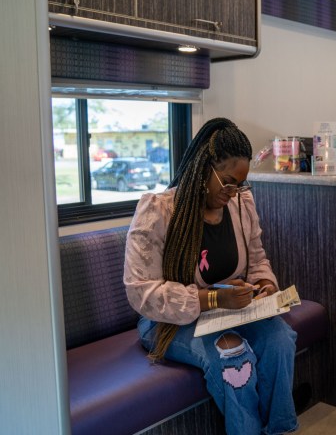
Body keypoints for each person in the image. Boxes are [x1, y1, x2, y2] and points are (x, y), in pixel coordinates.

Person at [124, 117, 298, 435]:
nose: (233, 192)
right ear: (205, 167)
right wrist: (214, 297)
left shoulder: (241, 204)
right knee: (235, 358)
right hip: (168, 322)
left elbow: (258, 260)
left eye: (239, 185)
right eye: (228, 182)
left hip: (225, 311)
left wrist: (264, 286)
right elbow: (141, 292)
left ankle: (279, 429)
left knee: (279, 340)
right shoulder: (158, 211)